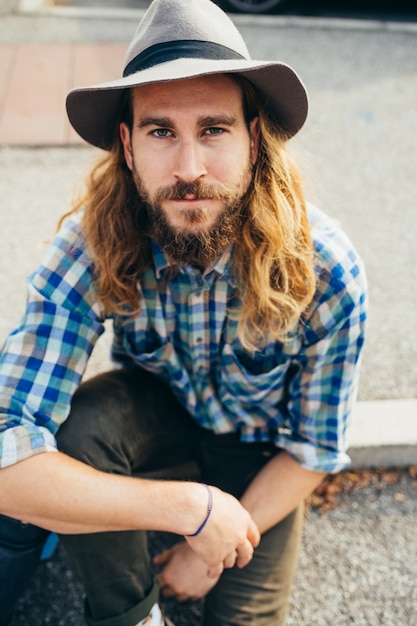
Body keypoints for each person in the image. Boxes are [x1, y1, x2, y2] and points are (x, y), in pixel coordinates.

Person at [0, 0, 368, 624]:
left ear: (254, 139)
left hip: (262, 452)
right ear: (127, 143)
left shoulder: (325, 272)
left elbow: (312, 447)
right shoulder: (93, 245)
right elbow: (8, 444)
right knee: (81, 428)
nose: (189, 169)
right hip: (159, 413)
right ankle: (131, 614)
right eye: (161, 131)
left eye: (214, 130)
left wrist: (216, 542)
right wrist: (188, 510)